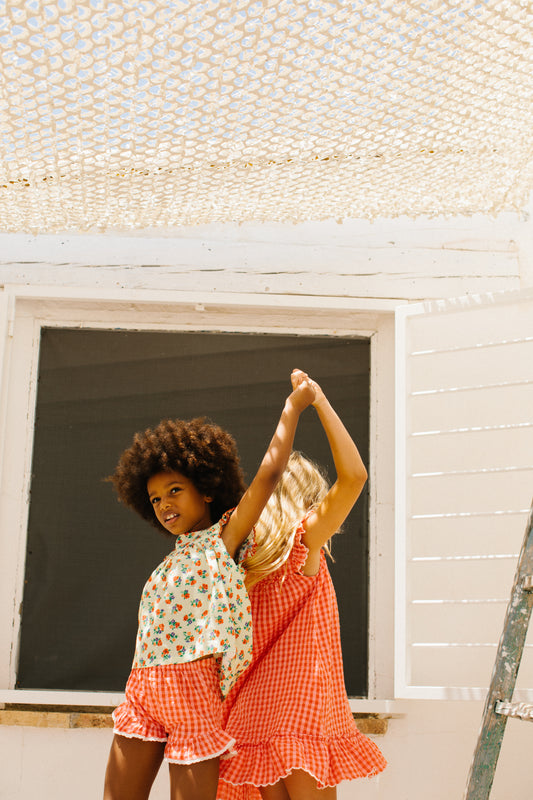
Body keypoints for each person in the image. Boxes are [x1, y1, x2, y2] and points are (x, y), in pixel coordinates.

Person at [103, 372, 315, 800]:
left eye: (175, 490)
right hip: (143, 690)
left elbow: (271, 472)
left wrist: (294, 407)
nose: (164, 505)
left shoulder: (224, 539)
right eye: (156, 499)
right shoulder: (172, 558)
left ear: (206, 490)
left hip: (194, 694)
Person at [218, 370, 387, 800]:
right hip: (299, 709)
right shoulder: (303, 544)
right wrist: (321, 402)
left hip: (248, 711)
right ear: (309, 499)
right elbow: (355, 477)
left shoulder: (241, 557)